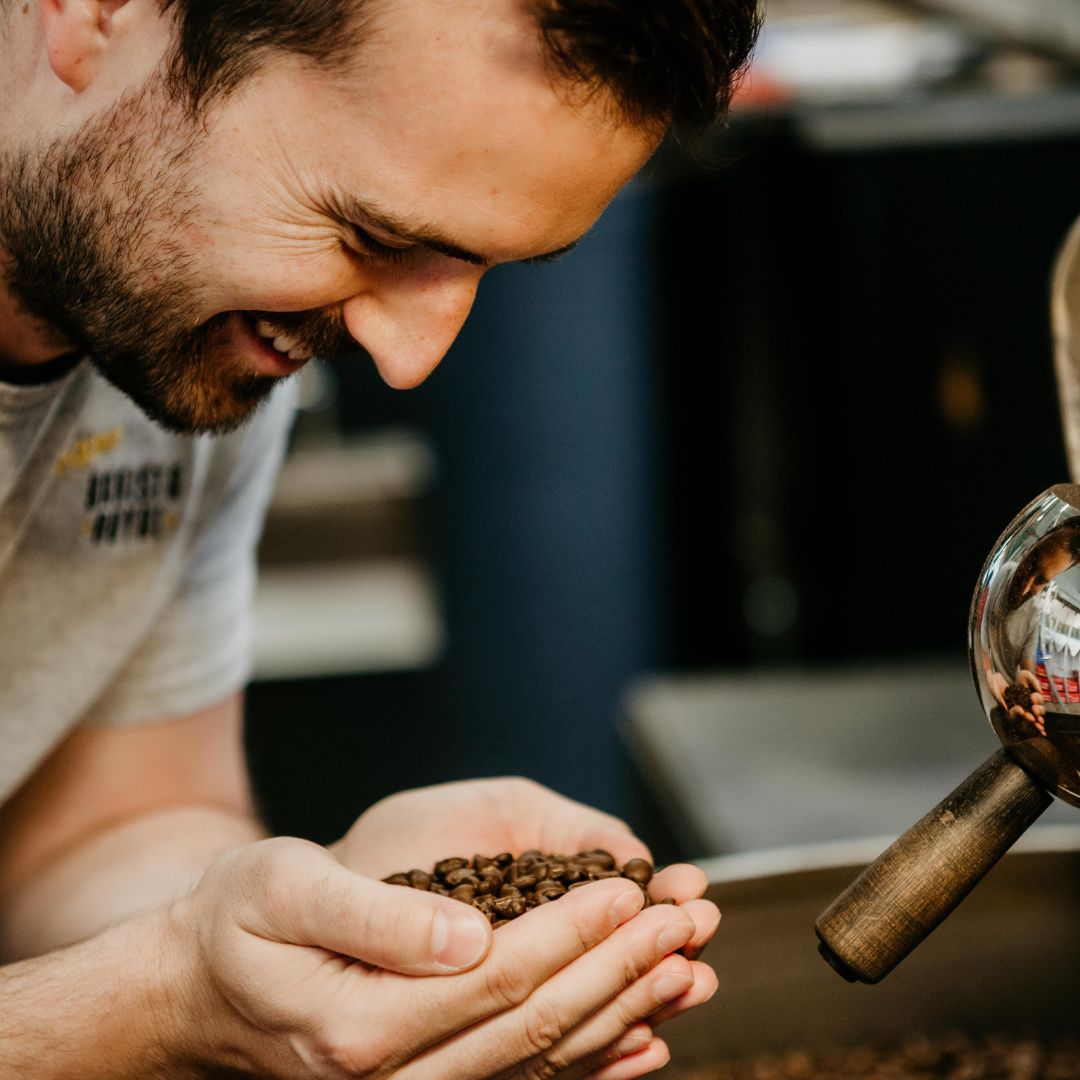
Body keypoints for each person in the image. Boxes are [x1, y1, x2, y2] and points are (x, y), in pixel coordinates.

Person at [0, 0, 759, 1076]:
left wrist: (314, 926)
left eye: (482, 267)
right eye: (378, 238)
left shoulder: (182, 314)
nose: (410, 359)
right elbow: (143, 993)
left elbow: (102, 822)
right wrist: (154, 1000)